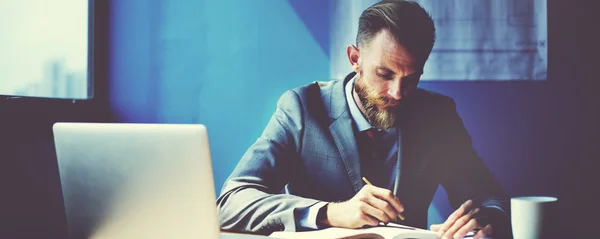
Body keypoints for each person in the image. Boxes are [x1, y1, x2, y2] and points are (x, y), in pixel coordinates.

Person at [217, 1, 510, 238]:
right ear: (355, 59)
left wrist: (486, 222)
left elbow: (490, 198)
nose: (397, 92)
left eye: (411, 78)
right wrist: (331, 213)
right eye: (384, 74)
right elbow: (231, 202)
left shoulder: (438, 115)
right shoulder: (301, 109)